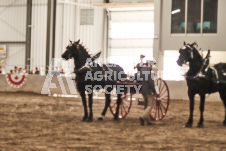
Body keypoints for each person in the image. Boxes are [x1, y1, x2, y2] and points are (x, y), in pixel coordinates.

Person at [139, 60, 157, 126]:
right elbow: (151, 83)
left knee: (146, 105)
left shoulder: (141, 71)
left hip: (143, 91)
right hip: (149, 91)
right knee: (150, 105)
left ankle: (147, 120)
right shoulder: (149, 73)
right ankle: (143, 117)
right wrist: (155, 91)